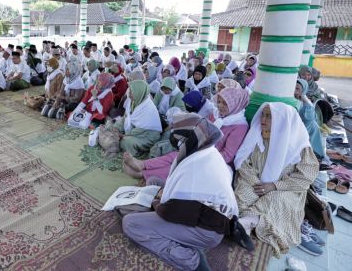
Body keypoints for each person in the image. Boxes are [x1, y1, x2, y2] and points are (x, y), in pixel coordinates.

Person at [122, 114, 238, 271]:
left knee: (131, 223)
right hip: (204, 213)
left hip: (207, 230)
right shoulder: (206, 151)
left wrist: (156, 202)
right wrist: (162, 194)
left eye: (181, 142)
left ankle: (191, 260)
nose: (178, 146)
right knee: (153, 181)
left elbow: (173, 212)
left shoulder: (196, 166)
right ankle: (172, 231)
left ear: (189, 140)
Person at [234, 103, 319, 256]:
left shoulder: (299, 144)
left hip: (284, 189)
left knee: (276, 200)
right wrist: (255, 182)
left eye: (269, 116)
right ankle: (248, 223)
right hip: (257, 183)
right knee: (243, 191)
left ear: (283, 121)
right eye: (263, 114)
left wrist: (274, 185)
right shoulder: (258, 134)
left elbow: (306, 176)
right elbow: (244, 162)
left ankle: (247, 222)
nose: (263, 120)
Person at [125, 88, 249, 182]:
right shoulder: (216, 115)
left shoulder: (240, 126)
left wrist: (201, 154)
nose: (220, 106)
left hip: (214, 160)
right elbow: (201, 131)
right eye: (220, 101)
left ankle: (143, 174)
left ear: (235, 105)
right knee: (175, 155)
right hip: (201, 149)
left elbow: (227, 155)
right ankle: (142, 165)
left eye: (225, 104)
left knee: (184, 164)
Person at [116, 80, 162, 156]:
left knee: (125, 142)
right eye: (129, 91)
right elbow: (126, 117)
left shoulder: (148, 107)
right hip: (135, 131)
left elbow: (142, 129)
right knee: (113, 128)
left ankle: (138, 152)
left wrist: (126, 134)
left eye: (131, 92)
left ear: (139, 92)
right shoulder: (133, 101)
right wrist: (117, 127)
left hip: (148, 135)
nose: (129, 94)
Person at [295, 79, 328, 163]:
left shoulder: (306, 103)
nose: (294, 91)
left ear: (304, 91)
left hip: (308, 131)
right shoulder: (293, 100)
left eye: (297, 89)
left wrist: (305, 100)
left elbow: (308, 119)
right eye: (293, 87)